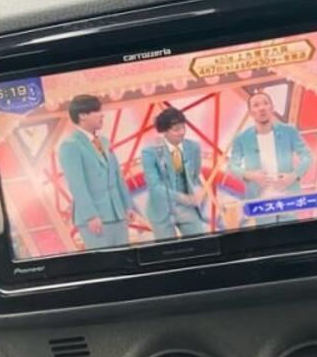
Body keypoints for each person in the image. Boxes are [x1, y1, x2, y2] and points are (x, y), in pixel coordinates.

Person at [58, 95, 136, 249]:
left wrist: (128, 205)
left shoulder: (105, 142)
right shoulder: (70, 145)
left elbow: (117, 177)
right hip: (95, 218)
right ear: (82, 116)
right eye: (97, 111)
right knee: (105, 260)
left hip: (118, 213)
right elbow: (77, 184)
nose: (102, 115)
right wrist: (91, 215)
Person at [228, 91, 312, 225]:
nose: (262, 108)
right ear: (250, 112)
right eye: (256, 105)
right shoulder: (242, 138)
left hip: (288, 197)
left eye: (265, 103)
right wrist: (251, 176)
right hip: (260, 201)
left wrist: (292, 176)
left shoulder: (289, 131)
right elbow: (232, 166)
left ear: (272, 108)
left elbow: (307, 156)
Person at [141, 107, 206, 240]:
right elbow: (154, 186)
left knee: (201, 242)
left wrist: (198, 191)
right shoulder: (150, 151)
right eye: (176, 129)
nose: (181, 132)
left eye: (183, 127)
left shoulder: (193, 147)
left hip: (187, 207)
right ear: (164, 131)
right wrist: (183, 198)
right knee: (168, 248)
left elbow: (195, 175)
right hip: (161, 210)